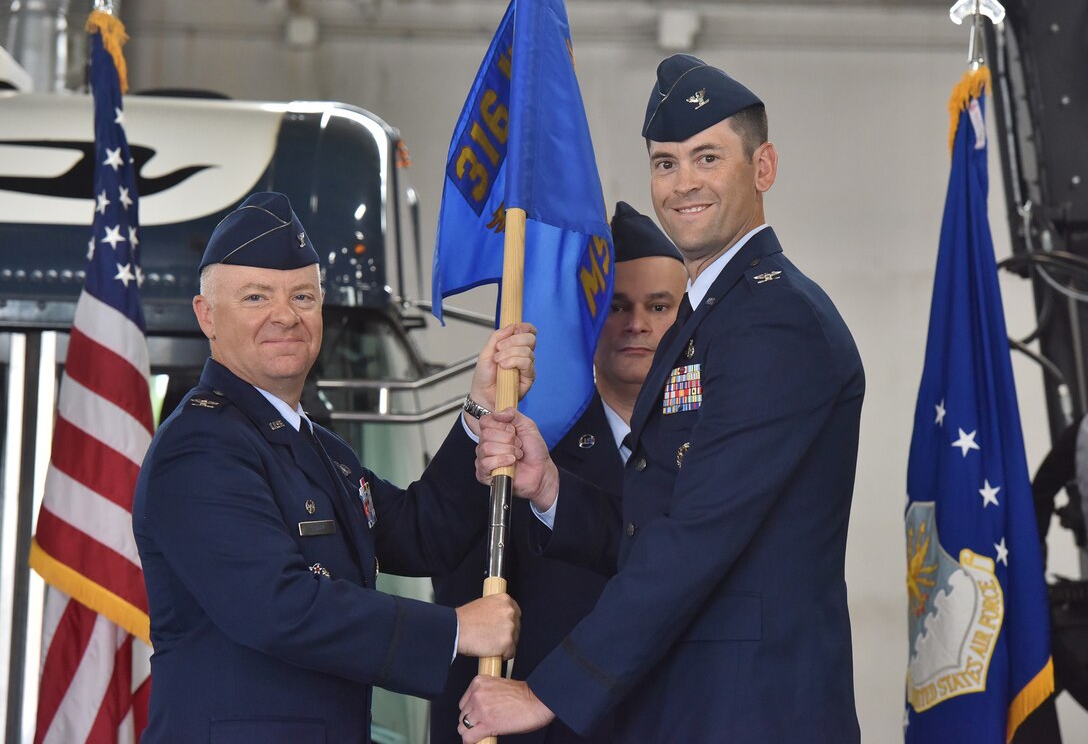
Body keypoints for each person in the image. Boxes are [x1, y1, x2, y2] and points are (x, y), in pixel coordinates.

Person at [460, 54, 865, 743]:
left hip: (751, 713)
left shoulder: (776, 321)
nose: (683, 184)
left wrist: (544, 690)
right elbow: (659, 518)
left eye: (707, 157)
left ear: (763, 168)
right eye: (666, 162)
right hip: (695, 708)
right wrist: (552, 485)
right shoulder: (710, 317)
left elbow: (697, 537)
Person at [132, 191, 534, 744]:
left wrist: (479, 409)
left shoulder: (318, 447)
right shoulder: (199, 448)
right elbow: (278, 606)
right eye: (255, 297)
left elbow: (417, 534)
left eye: (303, 295)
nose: (285, 315)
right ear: (207, 316)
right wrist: (456, 629)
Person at [430, 201, 688, 744]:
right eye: (616, 306)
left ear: (684, 319)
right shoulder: (525, 446)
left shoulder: (713, 446)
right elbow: (468, 604)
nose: (637, 324)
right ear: (588, 316)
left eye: (659, 306)